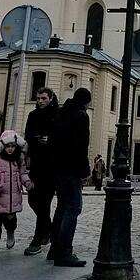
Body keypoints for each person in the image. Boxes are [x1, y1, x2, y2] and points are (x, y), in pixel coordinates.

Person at [48, 88, 92, 267]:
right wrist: (84, 172)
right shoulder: (81, 116)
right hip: (72, 169)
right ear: (86, 102)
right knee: (73, 208)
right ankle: (64, 252)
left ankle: (54, 249)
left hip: (57, 168)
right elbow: (81, 146)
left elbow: (52, 141)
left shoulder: (61, 113)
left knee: (61, 207)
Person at [23, 88, 59, 256]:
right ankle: (49, 228)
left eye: (44, 98)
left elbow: (61, 137)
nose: (40, 101)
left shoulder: (57, 115)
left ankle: (38, 238)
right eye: (38, 98)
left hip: (51, 166)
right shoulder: (33, 115)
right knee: (32, 199)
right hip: (36, 164)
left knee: (44, 202)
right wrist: (36, 141)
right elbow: (28, 136)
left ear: (51, 98)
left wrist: (49, 140)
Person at [0, 131, 34, 254]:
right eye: (8, 146)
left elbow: (22, 174)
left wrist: (27, 183)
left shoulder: (18, 160)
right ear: (2, 147)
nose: (10, 149)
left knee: (11, 220)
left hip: (13, 196)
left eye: (13, 146)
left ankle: (10, 233)